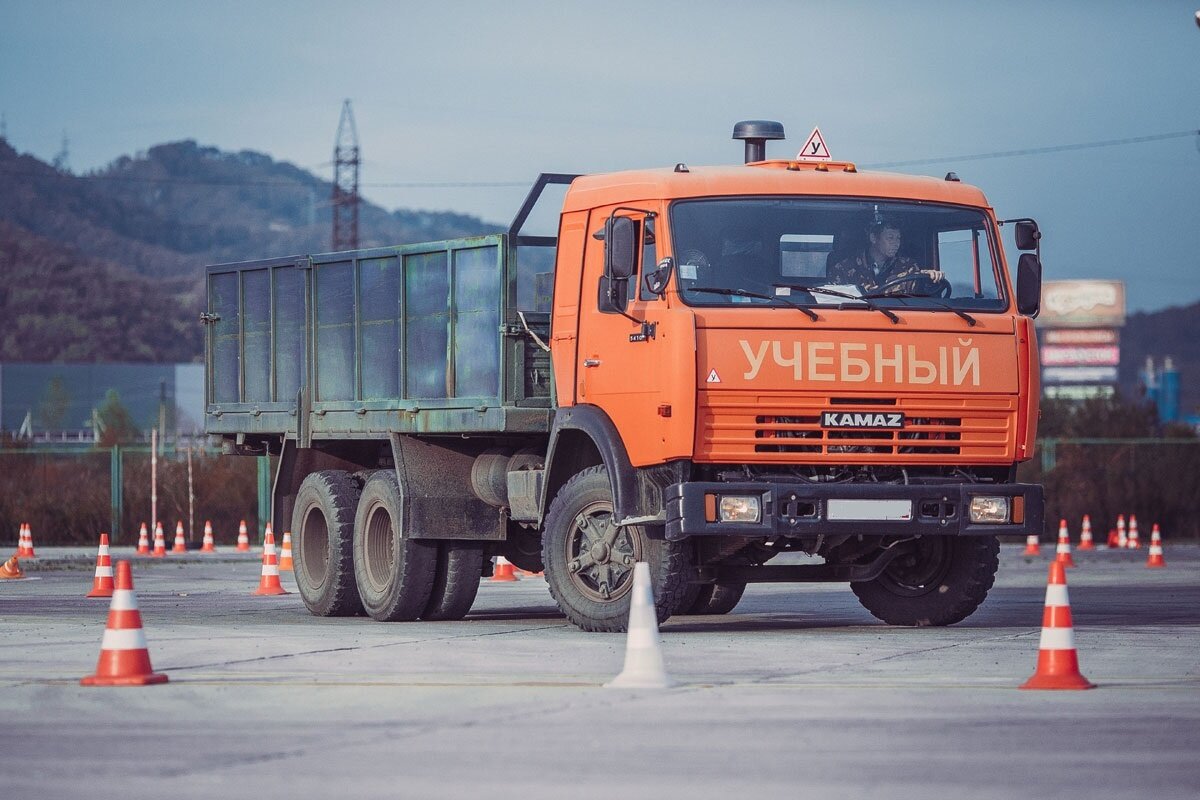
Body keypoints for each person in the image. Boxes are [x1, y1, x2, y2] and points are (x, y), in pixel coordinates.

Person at [827, 218, 944, 294]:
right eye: (890, 238)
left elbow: (921, 294)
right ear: (873, 238)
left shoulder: (909, 267)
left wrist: (930, 279)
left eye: (898, 238)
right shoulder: (843, 268)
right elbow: (833, 302)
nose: (896, 243)